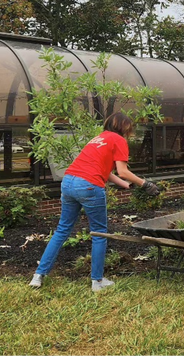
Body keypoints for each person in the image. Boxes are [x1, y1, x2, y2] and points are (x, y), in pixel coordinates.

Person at [29, 113, 158, 292]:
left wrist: (126, 186)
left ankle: (38, 276)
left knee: (62, 230)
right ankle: (97, 281)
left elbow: (106, 171)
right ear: (125, 127)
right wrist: (145, 184)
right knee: (99, 233)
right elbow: (123, 171)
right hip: (89, 186)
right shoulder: (119, 140)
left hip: (68, 182)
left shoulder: (98, 138)